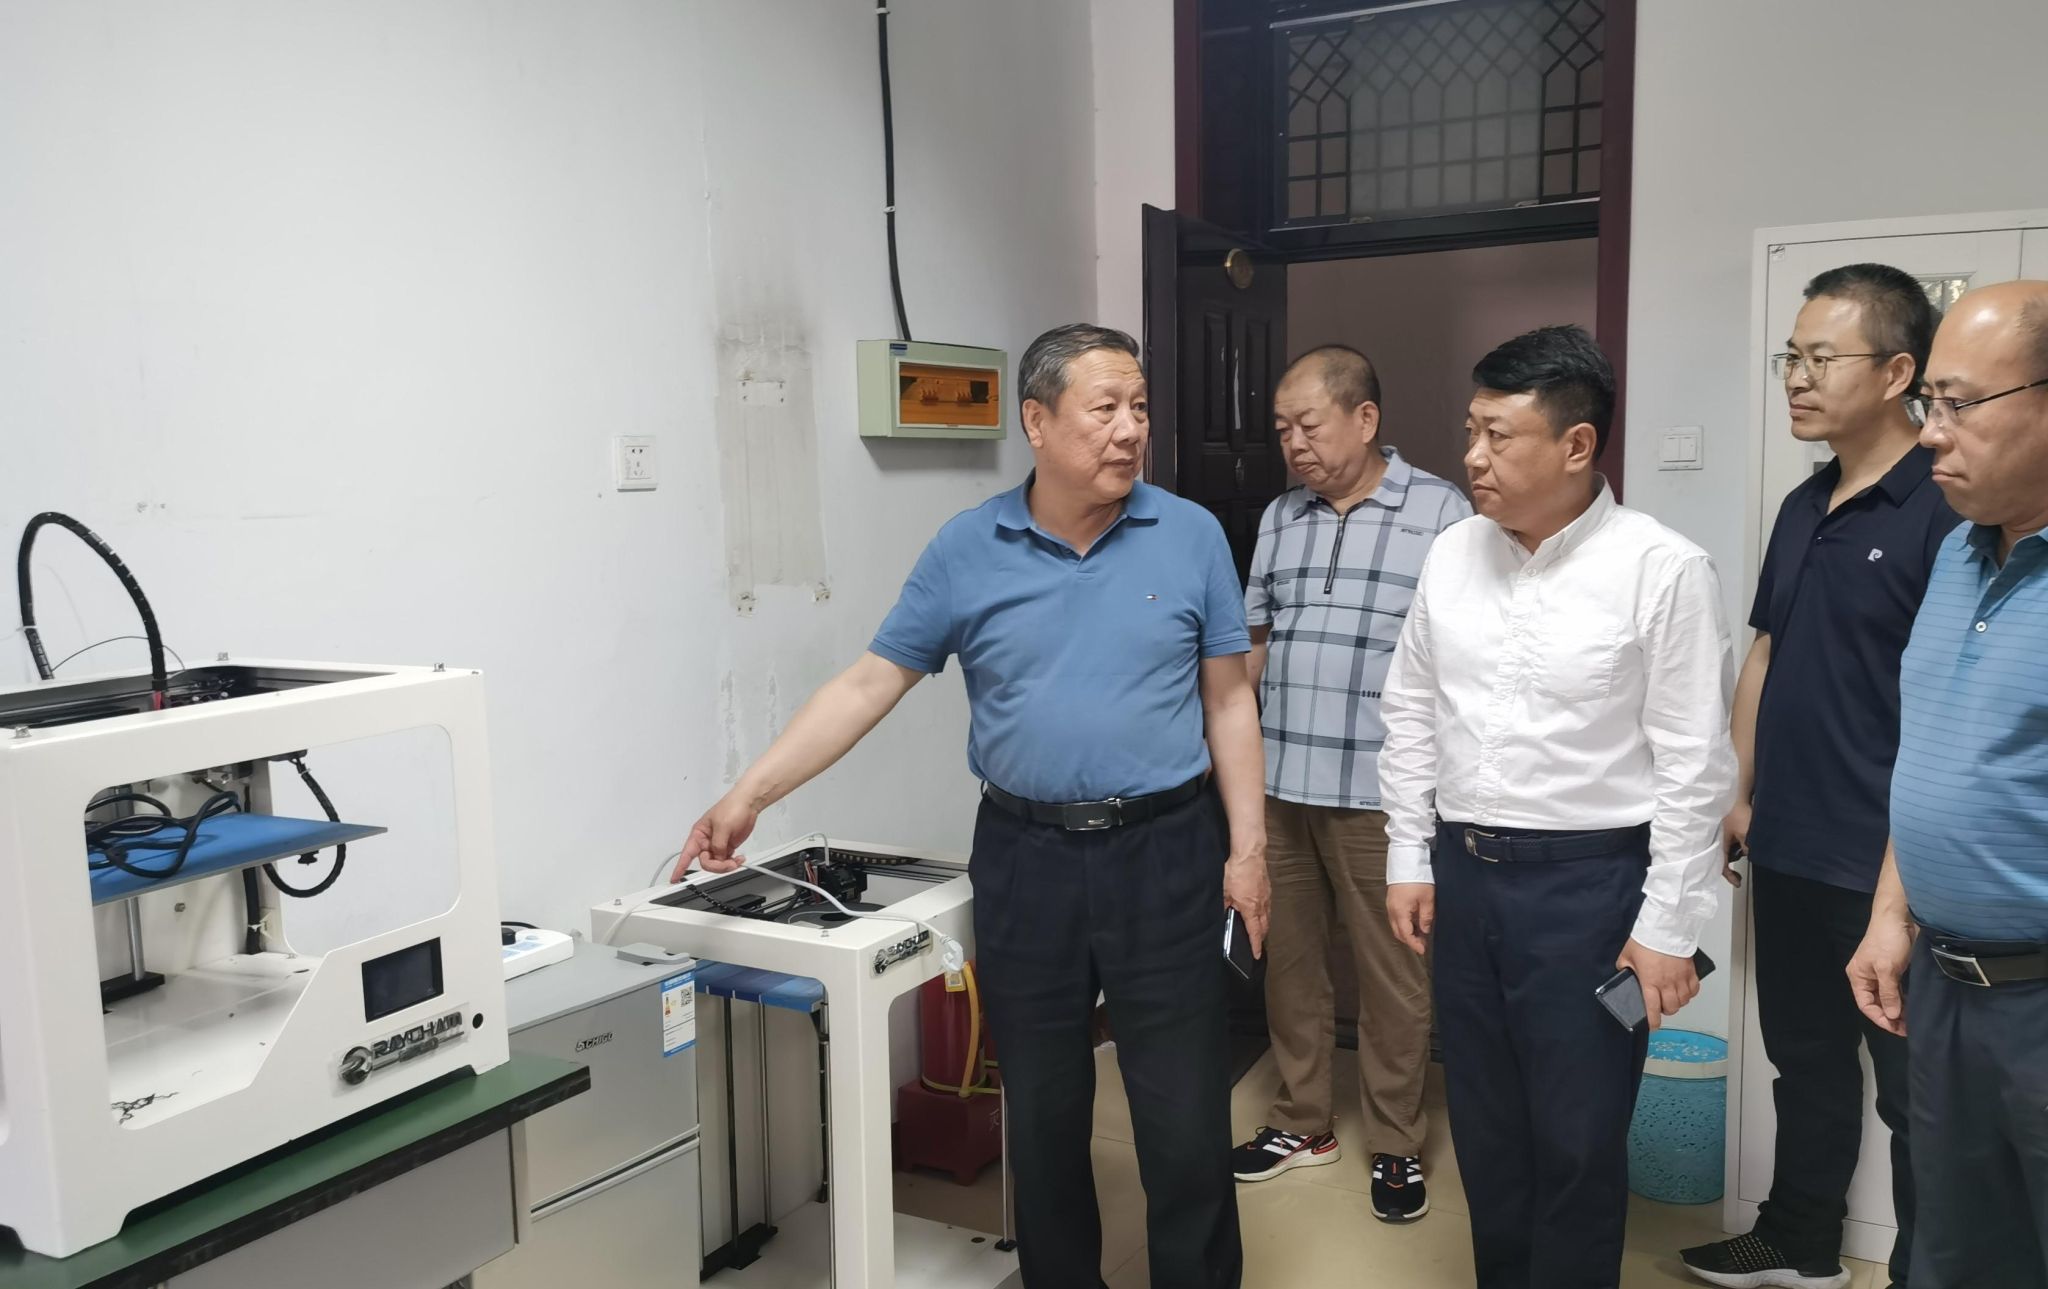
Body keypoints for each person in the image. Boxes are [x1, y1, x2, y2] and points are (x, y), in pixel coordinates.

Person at [671, 323, 1267, 1289]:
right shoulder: (967, 547)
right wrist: (748, 794)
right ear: (1037, 420)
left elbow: (1230, 701)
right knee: (1043, 1112)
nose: (1131, 430)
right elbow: (869, 683)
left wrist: (1249, 851)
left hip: (1166, 850)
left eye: (1139, 407)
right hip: (1027, 857)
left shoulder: (1191, 533)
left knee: (1185, 1116)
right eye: (1104, 408)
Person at [1379, 324, 1736, 1289]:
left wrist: (1667, 929)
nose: (1472, 456)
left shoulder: (1662, 568)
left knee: (1578, 1139)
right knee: (1486, 1126)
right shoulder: (1452, 553)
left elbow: (1695, 766)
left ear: (1577, 444)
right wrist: (1409, 856)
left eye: (1498, 435)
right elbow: (1410, 710)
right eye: (1471, 430)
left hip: (1591, 893)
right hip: (1464, 880)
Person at [1681, 264, 1956, 1289]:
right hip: (1788, 841)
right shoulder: (1803, 503)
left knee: (1917, 1096)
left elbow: (1950, 702)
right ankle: (1799, 1242)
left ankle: (1927, 1269)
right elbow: (1766, 650)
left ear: (1896, 371)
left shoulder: (1943, 504)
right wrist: (1736, 791)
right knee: (1801, 1061)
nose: (1795, 377)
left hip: (1891, 865)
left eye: (1819, 357)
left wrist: (1901, 876)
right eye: (1788, 358)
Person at [1228, 346, 1470, 1226]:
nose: (1293, 443)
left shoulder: (1443, 512)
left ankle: (1396, 1140)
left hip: (1383, 795)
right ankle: (1302, 1120)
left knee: (1393, 975)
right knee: (1289, 964)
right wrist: (1230, 762)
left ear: (1365, 419)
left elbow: (1462, 657)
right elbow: (1255, 643)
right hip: (1283, 783)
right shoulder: (1280, 515)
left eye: (1309, 424)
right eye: (1282, 429)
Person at [1848, 280, 2048, 1289]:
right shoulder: (1958, 553)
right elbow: (1929, 752)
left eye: (1959, 404)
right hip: (1944, 987)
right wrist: (1891, 912)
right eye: (1930, 402)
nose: (1929, 432)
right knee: (1949, 1256)